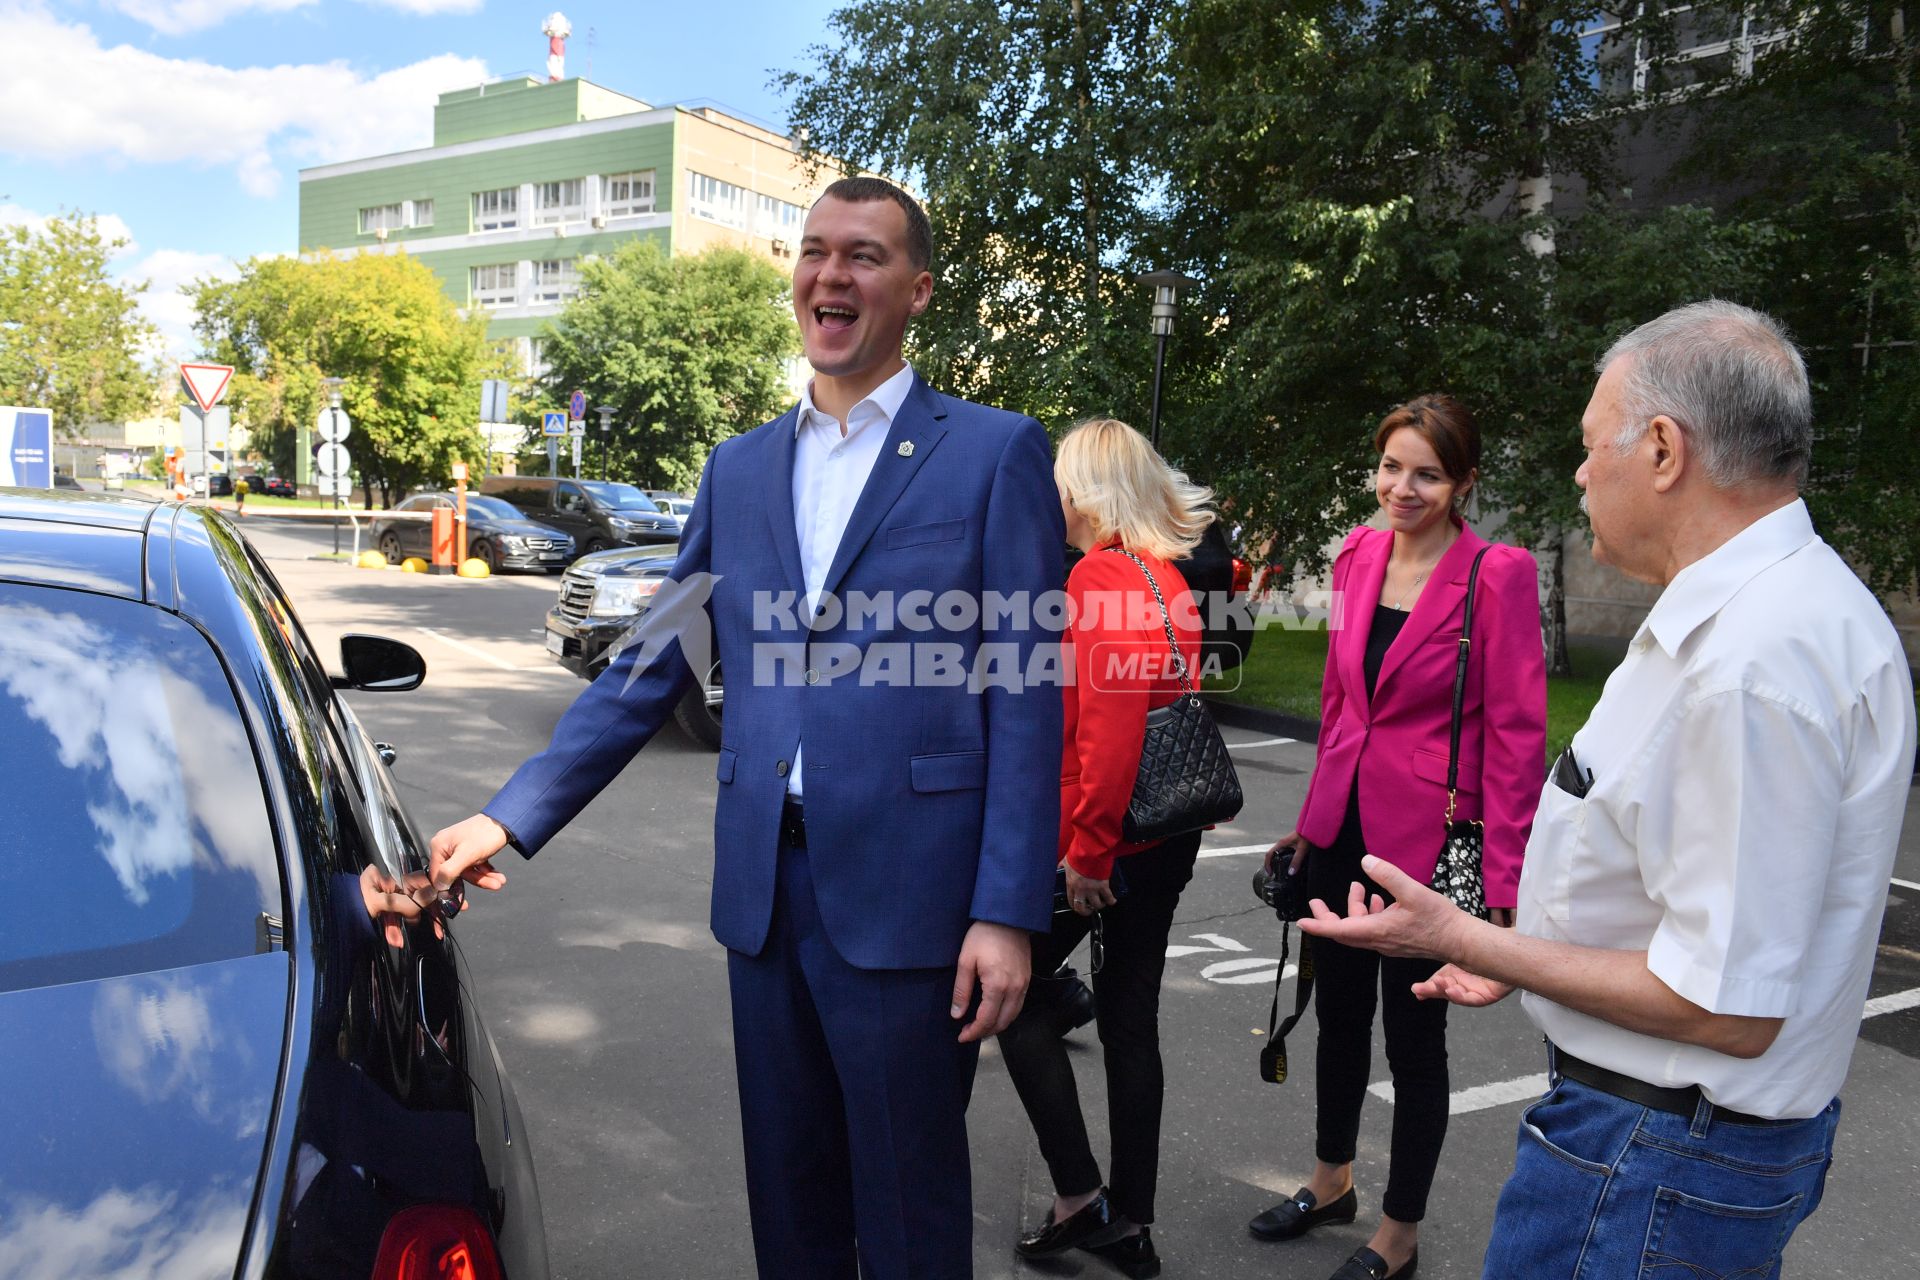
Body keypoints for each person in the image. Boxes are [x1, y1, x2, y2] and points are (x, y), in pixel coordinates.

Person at [427, 177, 1066, 1280]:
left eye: (863, 256)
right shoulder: (740, 466)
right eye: (815, 251)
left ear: (915, 290)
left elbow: (1026, 684)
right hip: (766, 898)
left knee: (911, 1214)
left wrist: (1007, 911)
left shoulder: (993, 452)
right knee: (793, 1206)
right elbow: (655, 660)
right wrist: (510, 814)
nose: (831, 274)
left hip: (914, 905)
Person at [1298, 301, 1916, 1279]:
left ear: (1664, 449)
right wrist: (1531, 952)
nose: (1581, 474)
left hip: (1652, 1153)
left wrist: (1470, 931)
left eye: (1592, 448)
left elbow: (1725, 1003)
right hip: (1658, 1132)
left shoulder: (1754, 664)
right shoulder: (1764, 618)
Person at [1249, 395, 1546, 1280]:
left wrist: (1504, 880)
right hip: (1344, 835)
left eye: (1427, 473)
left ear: (1463, 483)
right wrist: (1310, 823)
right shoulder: (1357, 554)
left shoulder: (1498, 572)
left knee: (1415, 1044)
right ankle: (1330, 1178)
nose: (1402, 488)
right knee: (1336, 1019)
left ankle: (1400, 1232)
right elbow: (1342, 707)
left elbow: (1519, 733)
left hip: (1430, 844)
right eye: (1391, 468)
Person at [996, 418, 1216, 1279]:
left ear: (1083, 488)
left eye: (1059, 477)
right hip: (1165, 834)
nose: (1050, 492)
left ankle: (1080, 1198)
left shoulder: (1100, 576)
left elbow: (1117, 729)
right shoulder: (1165, 577)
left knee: (1009, 996)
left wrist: (1087, 852)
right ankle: (1133, 1221)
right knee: (1130, 1021)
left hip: (1108, 840)